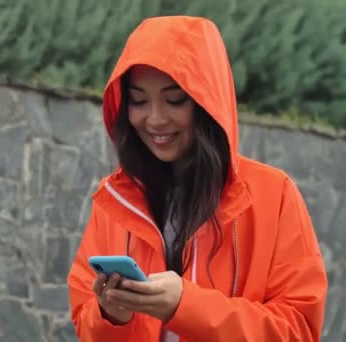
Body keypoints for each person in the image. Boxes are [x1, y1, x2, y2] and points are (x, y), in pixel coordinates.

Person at [67, 15, 328, 342]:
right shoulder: (114, 199)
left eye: (175, 100)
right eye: (138, 100)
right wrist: (111, 316)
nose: (156, 119)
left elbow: (298, 330)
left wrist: (186, 306)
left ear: (208, 101)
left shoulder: (273, 195)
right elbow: (85, 322)